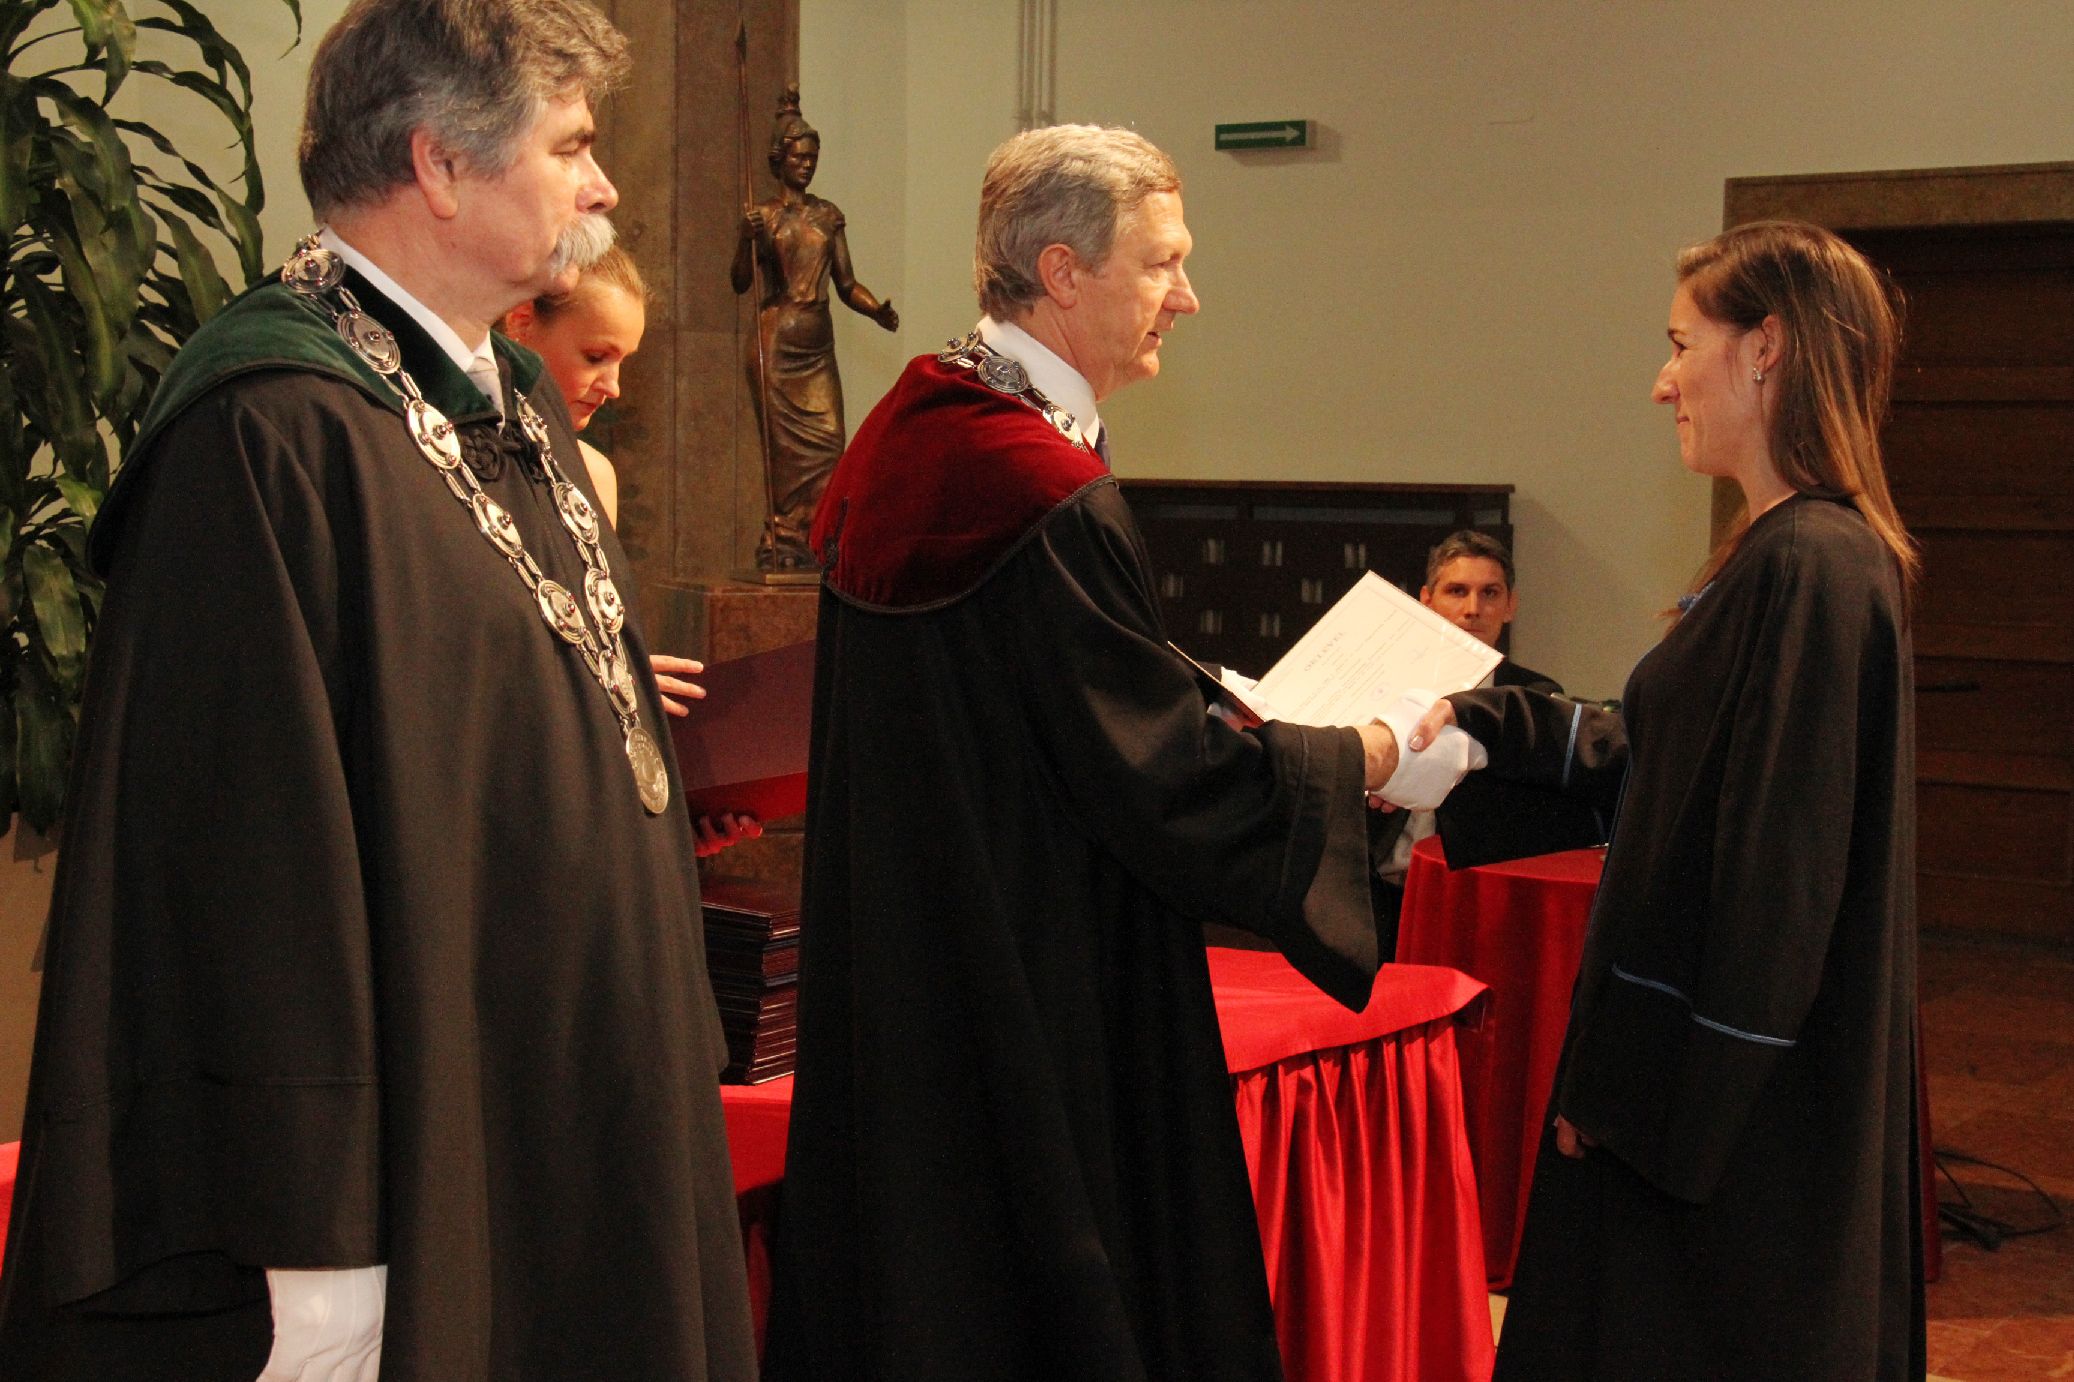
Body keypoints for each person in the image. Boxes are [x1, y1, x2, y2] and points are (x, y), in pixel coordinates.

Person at [0, 3, 758, 1378]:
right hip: (422, 1151)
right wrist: (318, 1234)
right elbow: (248, 865)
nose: (602, 187)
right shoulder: (266, 429)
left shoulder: (509, 394)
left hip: (572, 1086)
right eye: (571, 147)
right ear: (439, 165)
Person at [763, 125, 1415, 1382]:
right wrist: (1363, 755)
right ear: (1062, 272)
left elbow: (1064, 702)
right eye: (1163, 262)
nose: (1188, 294)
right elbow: (1155, 774)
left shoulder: (915, 428)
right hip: (1037, 977)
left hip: (917, 966)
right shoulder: (1031, 477)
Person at [1414, 220, 1925, 1378]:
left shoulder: (1809, 564)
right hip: (1711, 1110)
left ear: (1766, 348)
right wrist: (1481, 732)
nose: (1661, 380)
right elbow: (1664, 761)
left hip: (1729, 1127)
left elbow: (1772, 878)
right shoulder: (1782, 554)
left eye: (1681, 343)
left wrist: (1638, 1091)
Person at [501, 249, 761, 858]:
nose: (614, 387)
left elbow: (597, 636)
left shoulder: (595, 472)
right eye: (596, 356)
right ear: (521, 321)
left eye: (624, 361)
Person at [730, 83, 898, 568]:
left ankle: (814, 539)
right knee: (783, 457)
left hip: (816, 345)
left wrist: (875, 310)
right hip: (777, 344)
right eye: (799, 157)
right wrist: (745, 240)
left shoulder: (827, 216)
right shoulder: (763, 217)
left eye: (813, 158)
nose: (807, 165)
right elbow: (740, 283)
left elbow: (847, 284)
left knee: (829, 444)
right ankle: (782, 540)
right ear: (779, 159)